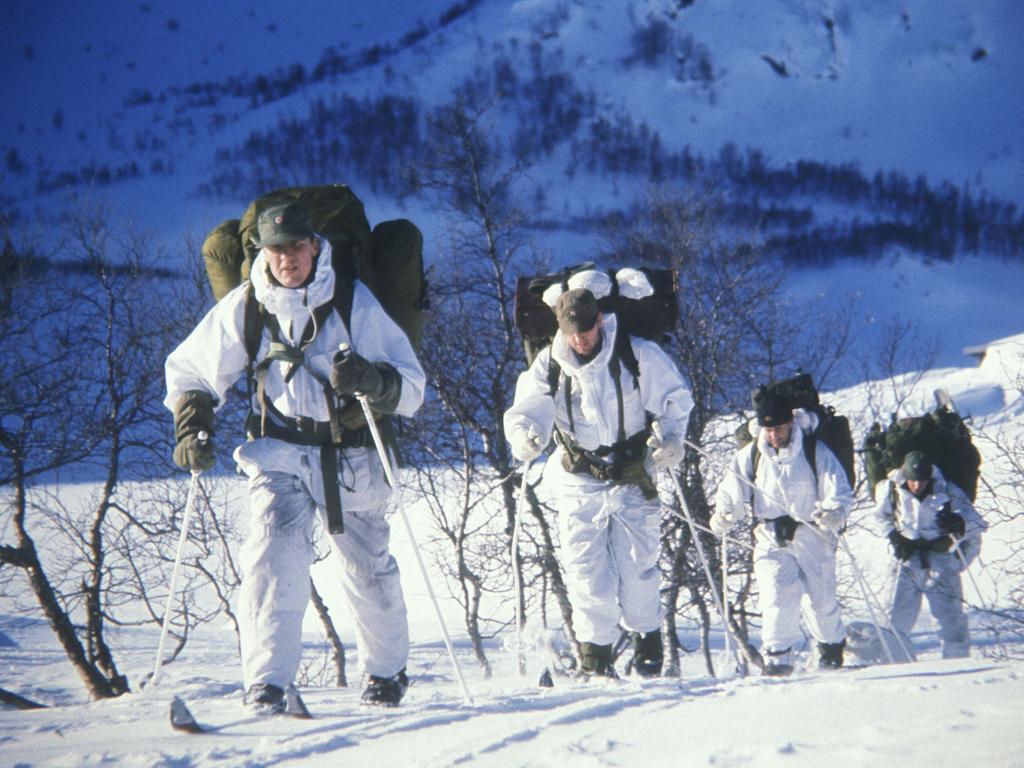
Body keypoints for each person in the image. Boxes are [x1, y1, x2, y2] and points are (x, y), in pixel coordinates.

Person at [165, 201, 425, 712]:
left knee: (368, 568)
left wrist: (372, 381)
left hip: (350, 457)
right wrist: (192, 426)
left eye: (296, 247)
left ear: (314, 246)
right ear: (263, 252)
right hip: (277, 450)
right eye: (276, 249)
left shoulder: (354, 302)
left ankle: (386, 673)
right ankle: (267, 683)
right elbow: (193, 369)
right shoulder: (248, 305)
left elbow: (413, 386)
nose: (287, 259)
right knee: (271, 558)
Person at [504, 287, 694, 678]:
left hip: (632, 471)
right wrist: (525, 433)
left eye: (587, 329)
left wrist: (673, 440)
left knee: (637, 567)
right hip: (578, 476)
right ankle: (595, 659)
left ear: (600, 321)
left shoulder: (636, 353)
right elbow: (528, 405)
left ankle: (648, 648)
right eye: (572, 331)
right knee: (584, 570)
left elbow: (674, 400)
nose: (581, 339)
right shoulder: (550, 364)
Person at [711, 389, 853, 675]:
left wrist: (834, 511)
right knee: (776, 597)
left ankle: (830, 652)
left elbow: (837, 487)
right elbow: (731, 489)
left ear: (790, 423)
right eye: (768, 429)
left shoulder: (815, 451)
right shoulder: (750, 455)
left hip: (813, 534)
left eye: (778, 428)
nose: (773, 435)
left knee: (822, 601)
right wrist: (724, 514)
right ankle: (777, 661)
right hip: (770, 536)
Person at [871, 450, 987, 659]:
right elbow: (879, 517)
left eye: (922, 480)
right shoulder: (890, 488)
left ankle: (960, 667)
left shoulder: (948, 489)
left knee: (951, 623)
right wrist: (893, 536)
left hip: (940, 561)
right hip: (904, 561)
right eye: (913, 480)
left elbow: (978, 523)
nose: (917, 485)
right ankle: (899, 670)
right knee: (893, 622)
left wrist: (959, 523)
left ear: (929, 476)